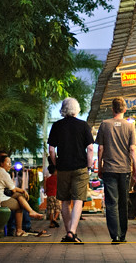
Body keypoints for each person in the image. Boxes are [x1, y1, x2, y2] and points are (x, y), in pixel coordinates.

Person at [48, 97, 94, 244]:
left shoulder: (57, 125)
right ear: (77, 109)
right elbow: (91, 148)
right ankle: (72, 232)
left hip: (63, 168)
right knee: (78, 199)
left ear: (63, 109)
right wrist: (89, 165)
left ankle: (68, 232)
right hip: (80, 168)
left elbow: (51, 149)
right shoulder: (83, 125)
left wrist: (56, 163)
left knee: (64, 201)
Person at [96, 97, 136, 244]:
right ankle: (123, 235)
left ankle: (114, 235)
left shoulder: (104, 125)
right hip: (124, 170)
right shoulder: (130, 126)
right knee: (123, 201)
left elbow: (101, 148)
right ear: (125, 109)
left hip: (109, 169)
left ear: (112, 109)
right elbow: (133, 148)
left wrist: (100, 167)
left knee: (111, 203)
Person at [0, 154, 44, 237]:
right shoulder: (3, 173)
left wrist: (21, 191)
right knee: (20, 205)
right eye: (8, 162)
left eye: (10, 162)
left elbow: (13, 190)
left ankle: (30, 212)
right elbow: (13, 189)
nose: (10, 165)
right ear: (1, 163)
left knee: (18, 196)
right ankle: (19, 230)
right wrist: (23, 190)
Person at [46, 164, 61, 228]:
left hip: (49, 195)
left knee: (51, 209)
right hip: (56, 195)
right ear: (55, 171)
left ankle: (51, 223)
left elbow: (46, 187)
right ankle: (55, 219)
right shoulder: (58, 178)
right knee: (58, 208)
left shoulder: (48, 179)